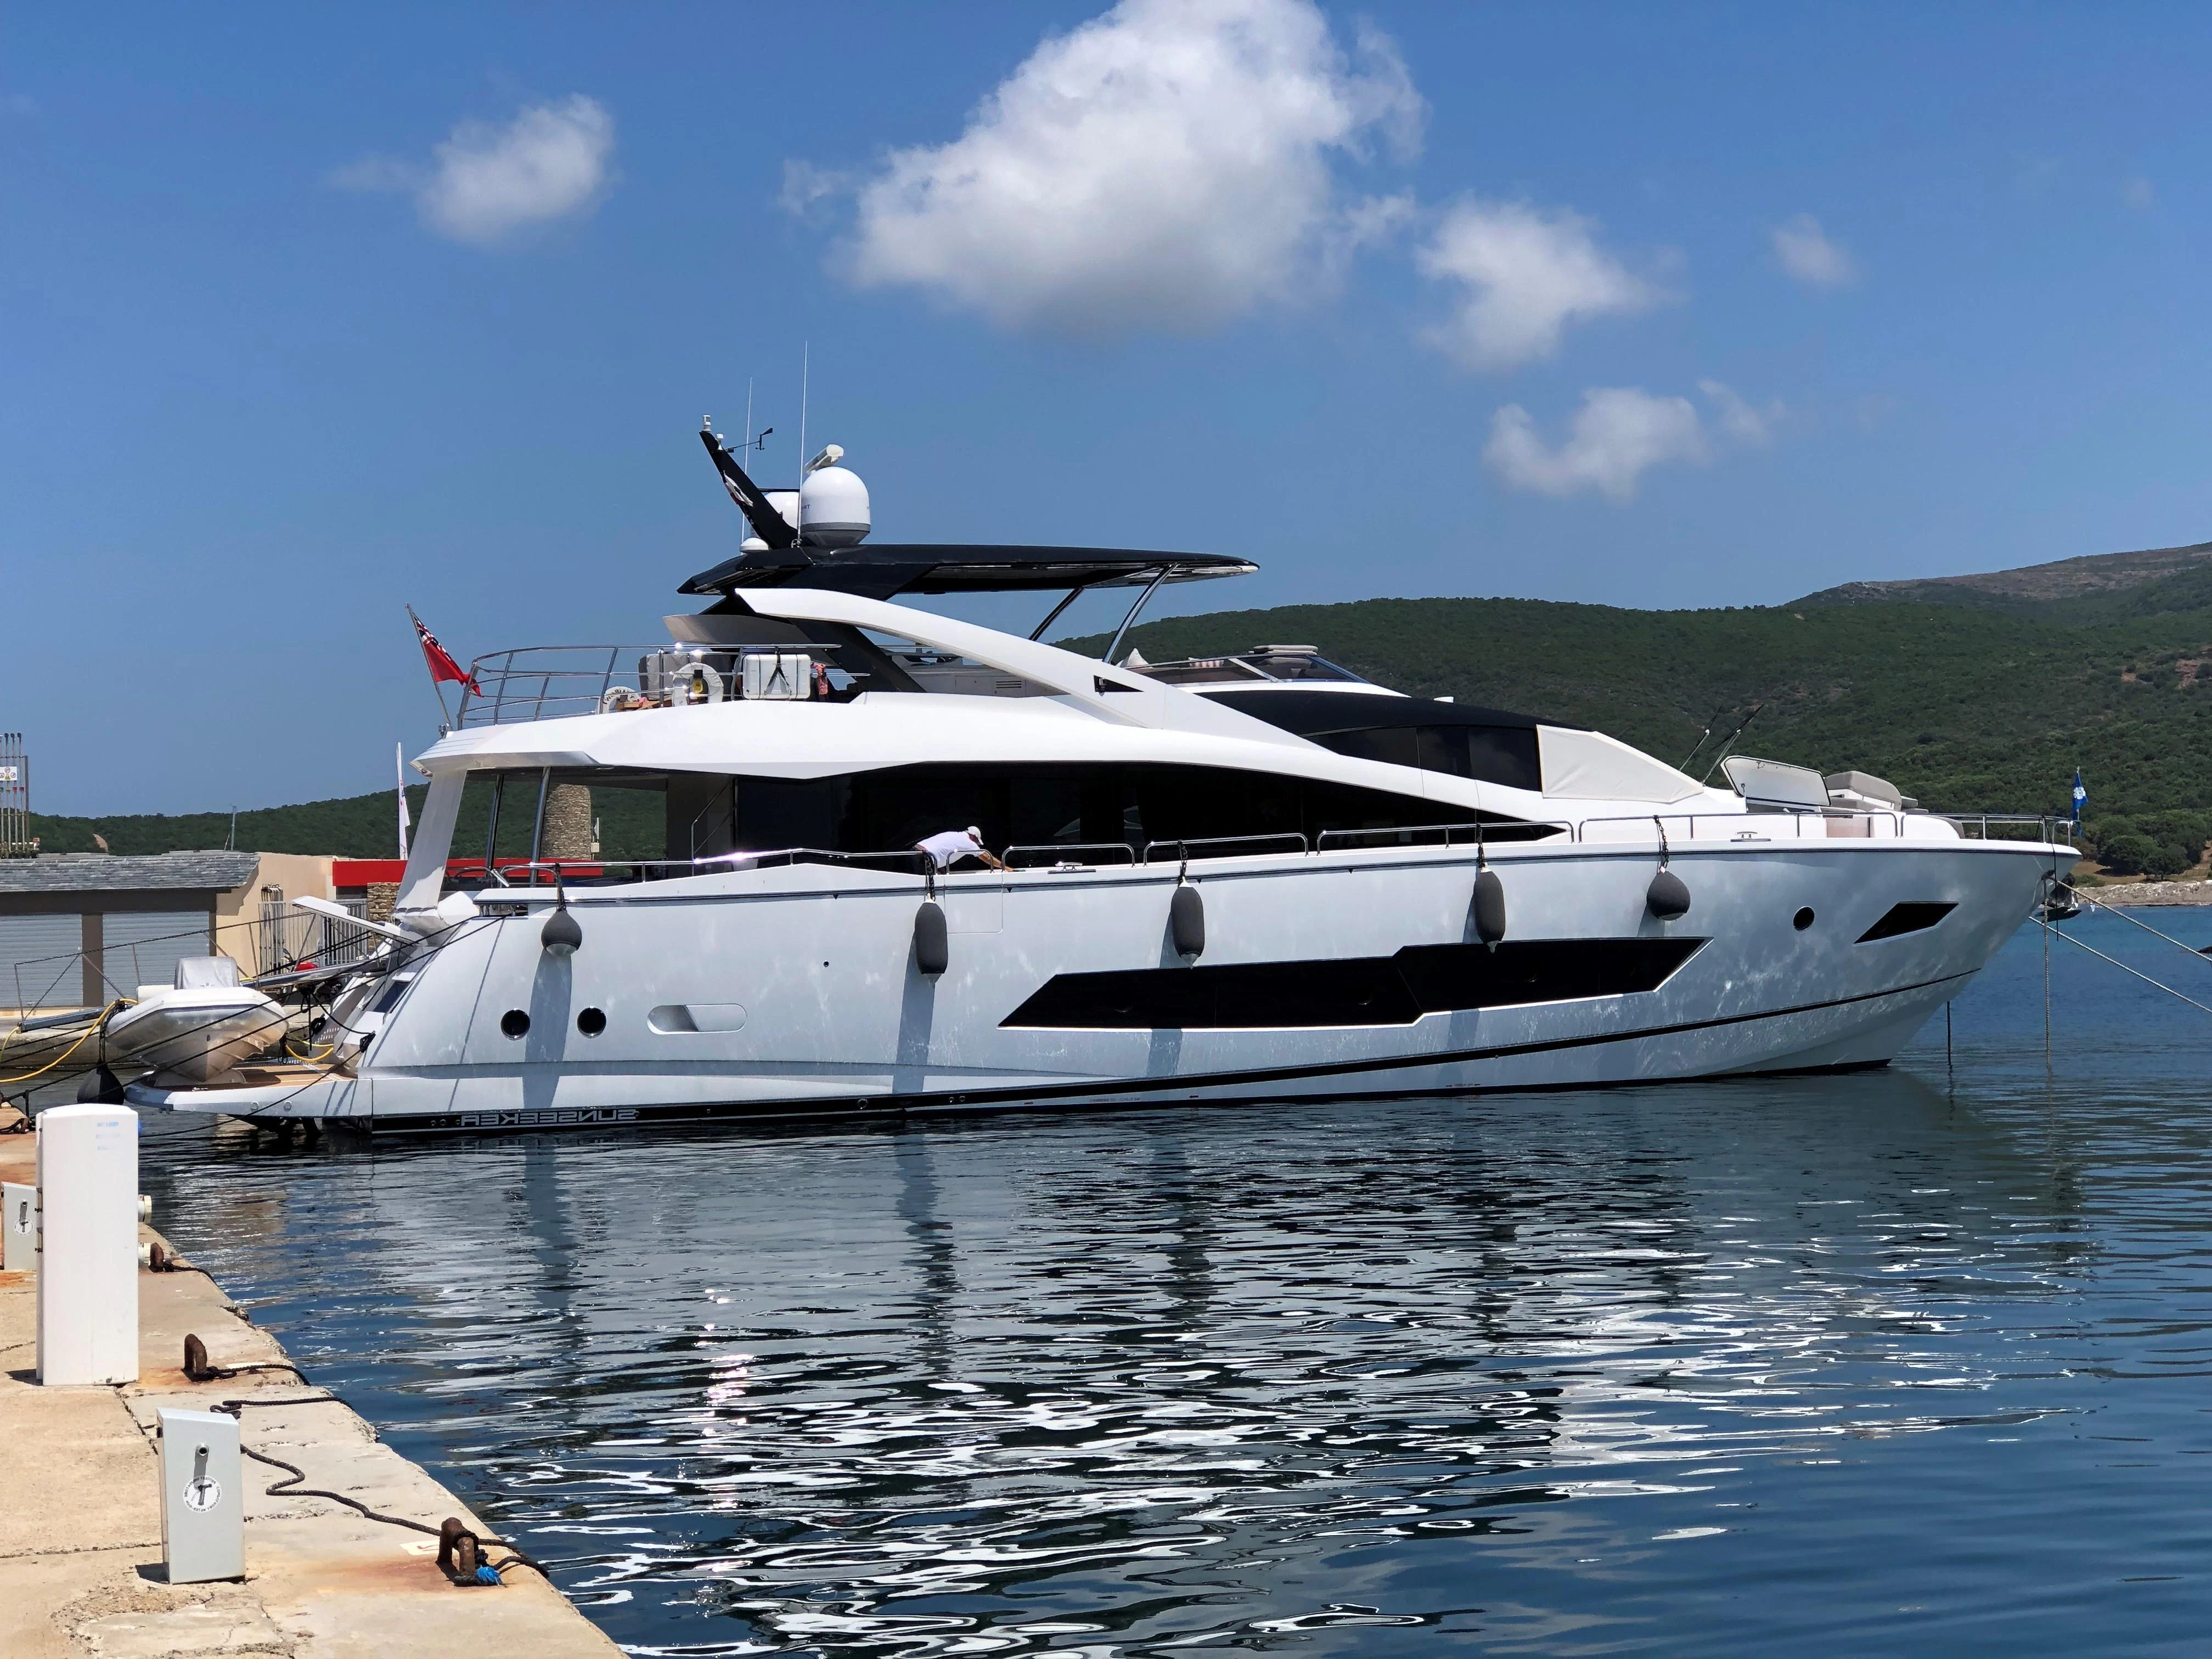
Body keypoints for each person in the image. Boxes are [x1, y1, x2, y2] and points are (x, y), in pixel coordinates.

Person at [915, 826, 1006, 872]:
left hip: (914, 852)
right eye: (976, 842)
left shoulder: (953, 834)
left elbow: (942, 850)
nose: (976, 845)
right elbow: (987, 857)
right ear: (973, 837)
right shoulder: (968, 842)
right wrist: (1006, 868)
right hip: (924, 859)